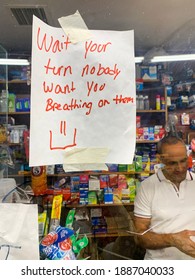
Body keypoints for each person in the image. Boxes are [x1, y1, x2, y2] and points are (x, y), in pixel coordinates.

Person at [133, 134, 195, 259]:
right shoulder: (147, 187)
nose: (180, 168)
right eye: (172, 163)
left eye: (183, 161)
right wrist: (172, 239)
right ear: (159, 160)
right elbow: (139, 236)